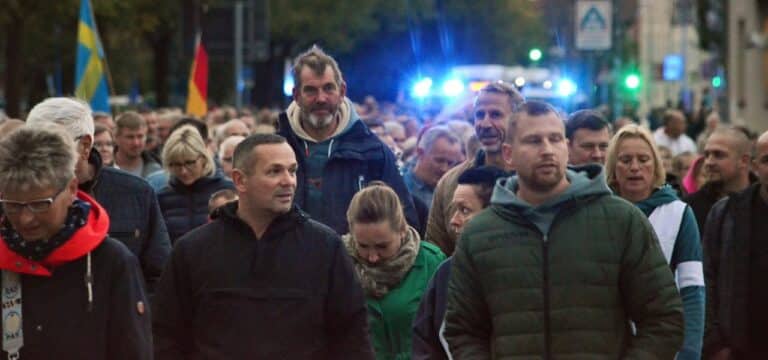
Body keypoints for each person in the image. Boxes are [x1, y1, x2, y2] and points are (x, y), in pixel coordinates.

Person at [445, 101, 684, 358]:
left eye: (555, 139)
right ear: (508, 154)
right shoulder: (481, 233)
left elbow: (663, 319)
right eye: (534, 141)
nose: (547, 150)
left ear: (566, 148)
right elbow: (462, 331)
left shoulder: (620, 220)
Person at [153, 133, 374, 359]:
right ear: (239, 180)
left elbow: (352, 336)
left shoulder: (326, 247)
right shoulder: (192, 250)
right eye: (274, 171)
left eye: (292, 170)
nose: (288, 181)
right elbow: (167, 336)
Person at [0, 127, 151, 359]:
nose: (25, 218)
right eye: (12, 205)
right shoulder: (4, 258)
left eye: (40, 204)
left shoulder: (111, 261)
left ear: (71, 189)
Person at [26, 98, 170, 291]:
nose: (40, 158)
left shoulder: (136, 193)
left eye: (52, 148)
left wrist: (136, 317)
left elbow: (159, 276)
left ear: (85, 146)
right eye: (32, 147)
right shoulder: (15, 198)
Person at [277, 45, 418, 234]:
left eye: (328, 88)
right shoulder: (275, 151)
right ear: (296, 96)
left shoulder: (373, 152)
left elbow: (404, 222)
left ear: (342, 91)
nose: (321, 98)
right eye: (310, 90)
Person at [604, 124, 704, 359]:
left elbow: (691, 288)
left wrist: (689, 350)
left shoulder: (679, 214)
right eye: (625, 160)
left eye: (643, 159)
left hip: (662, 343)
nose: (635, 167)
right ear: (613, 167)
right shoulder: (599, 211)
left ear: (656, 165)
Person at [412, 166, 506, 360]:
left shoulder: (525, 268)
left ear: (494, 213)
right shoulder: (446, 273)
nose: (454, 221)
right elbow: (425, 342)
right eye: (455, 209)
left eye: (464, 210)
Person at [342, 181, 445, 359]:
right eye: (363, 246)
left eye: (382, 246)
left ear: (402, 231)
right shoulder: (339, 265)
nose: (372, 256)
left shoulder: (432, 263)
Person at [425, 81, 524, 256]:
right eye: (479, 115)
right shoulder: (451, 182)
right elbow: (436, 253)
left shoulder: (533, 178)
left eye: (495, 114)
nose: (485, 124)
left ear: (517, 121)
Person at [703, 130, 768, 359]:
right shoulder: (727, 213)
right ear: (754, 165)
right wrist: (715, 343)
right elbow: (707, 277)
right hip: (741, 346)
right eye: (767, 160)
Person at [157, 125, 235, 243]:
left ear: (203, 158)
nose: (183, 171)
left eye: (189, 163)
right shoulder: (161, 198)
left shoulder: (229, 191)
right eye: (176, 164)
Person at [684, 126, 754, 232]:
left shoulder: (763, 200)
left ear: (744, 161)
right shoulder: (690, 208)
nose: (709, 162)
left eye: (718, 155)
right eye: (707, 155)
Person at [402, 125, 464, 208]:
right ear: (420, 153)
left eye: (450, 163)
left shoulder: (454, 191)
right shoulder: (400, 186)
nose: (444, 169)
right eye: (439, 160)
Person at [113, 111, 162, 178]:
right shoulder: (103, 168)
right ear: (116, 138)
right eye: (130, 137)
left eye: (140, 136)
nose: (136, 143)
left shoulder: (157, 169)